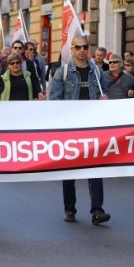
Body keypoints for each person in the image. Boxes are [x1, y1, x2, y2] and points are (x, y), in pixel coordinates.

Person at [49, 34, 111, 225]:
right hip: (71, 129)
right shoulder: (63, 72)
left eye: (85, 47)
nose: (82, 50)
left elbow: (104, 95)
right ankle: (69, 208)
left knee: (95, 169)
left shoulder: (97, 72)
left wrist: (105, 100)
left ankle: (97, 211)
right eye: (78, 47)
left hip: (93, 128)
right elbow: (54, 102)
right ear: (72, 50)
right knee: (69, 170)